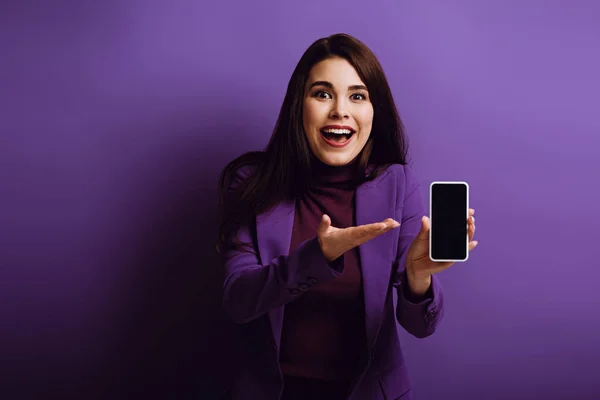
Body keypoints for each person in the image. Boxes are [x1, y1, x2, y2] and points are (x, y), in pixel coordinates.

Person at [216, 33, 477, 400]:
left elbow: (420, 326)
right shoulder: (252, 184)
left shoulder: (396, 184)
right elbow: (238, 300)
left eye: (357, 96)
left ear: (374, 111)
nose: (340, 110)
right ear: (298, 106)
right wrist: (318, 257)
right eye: (322, 94)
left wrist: (418, 278)